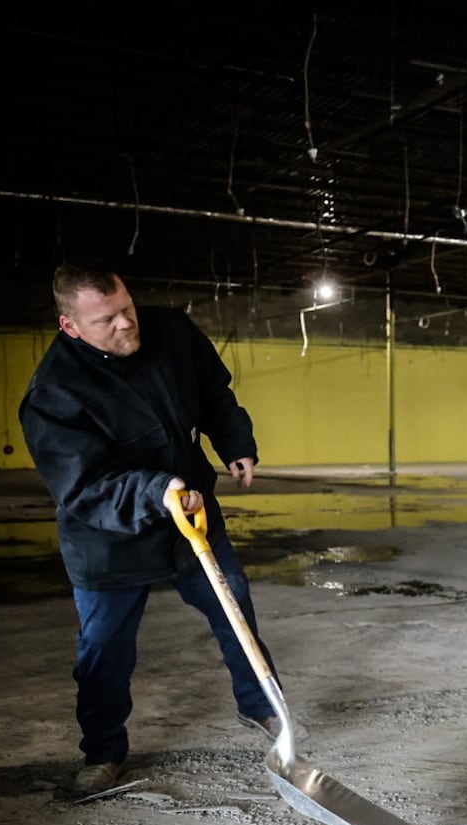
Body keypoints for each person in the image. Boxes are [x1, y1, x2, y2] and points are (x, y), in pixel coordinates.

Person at [20, 259, 281, 796]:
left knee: (234, 607)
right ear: (70, 326)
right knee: (104, 650)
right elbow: (82, 488)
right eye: (106, 321)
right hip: (107, 539)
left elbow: (213, 392)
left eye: (127, 310)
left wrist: (235, 443)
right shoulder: (54, 393)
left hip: (189, 513)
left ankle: (263, 708)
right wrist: (152, 490)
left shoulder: (171, 330)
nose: (125, 325)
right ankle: (104, 751)